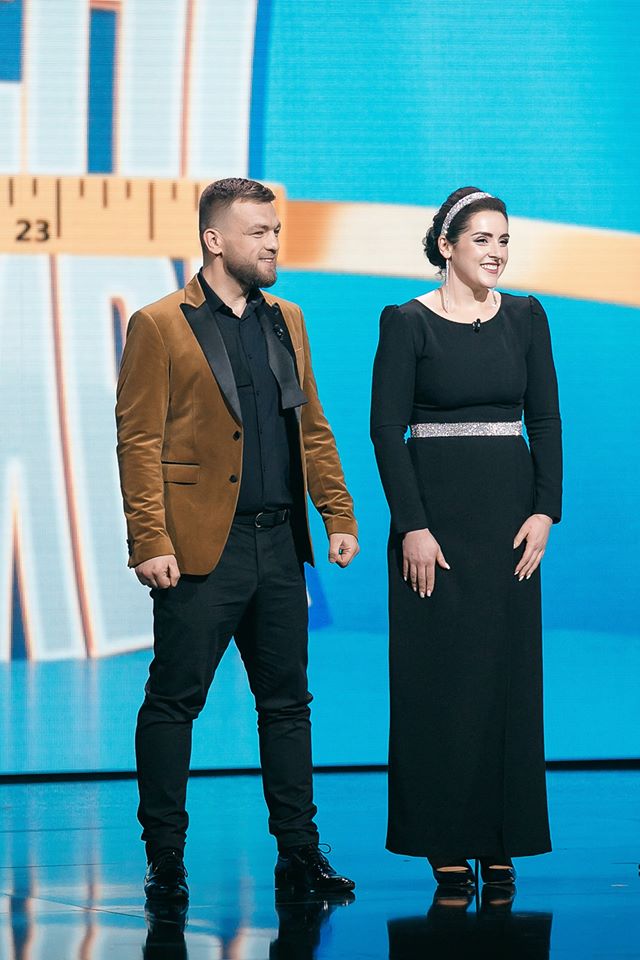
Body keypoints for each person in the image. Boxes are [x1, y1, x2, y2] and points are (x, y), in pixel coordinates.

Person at [116, 177, 359, 903]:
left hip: (279, 545)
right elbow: (138, 441)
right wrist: (149, 538)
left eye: (275, 231)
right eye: (259, 232)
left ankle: (300, 853)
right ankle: (166, 857)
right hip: (199, 551)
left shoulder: (288, 319)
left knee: (287, 705)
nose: (274, 243)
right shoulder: (160, 324)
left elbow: (311, 425)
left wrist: (337, 513)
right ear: (214, 240)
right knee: (173, 702)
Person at [370, 187, 562, 889]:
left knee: (506, 680)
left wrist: (545, 511)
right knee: (439, 681)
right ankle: (443, 838)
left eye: (504, 240)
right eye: (483, 239)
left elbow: (545, 419)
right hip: (435, 526)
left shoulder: (527, 317)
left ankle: (501, 835)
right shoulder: (406, 321)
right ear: (446, 246)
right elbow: (385, 430)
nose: (497, 252)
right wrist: (412, 525)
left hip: (509, 523)